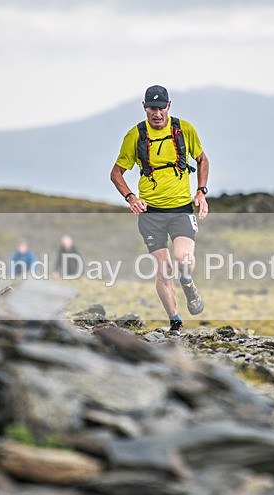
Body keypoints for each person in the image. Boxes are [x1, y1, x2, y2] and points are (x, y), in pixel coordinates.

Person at [110, 85, 210, 336]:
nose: (157, 114)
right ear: (144, 107)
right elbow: (116, 173)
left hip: (181, 209)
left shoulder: (184, 129)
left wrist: (201, 191)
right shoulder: (135, 135)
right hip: (150, 213)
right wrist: (131, 197)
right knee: (164, 269)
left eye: (161, 107)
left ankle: (187, 283)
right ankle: (175, 322)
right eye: (151, 108)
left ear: (169, 106)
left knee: (183, 258)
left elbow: (202, 159)